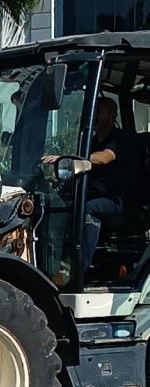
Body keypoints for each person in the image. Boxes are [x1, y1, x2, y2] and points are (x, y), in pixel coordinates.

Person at [43, 96, 129, 270]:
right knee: (55, 205)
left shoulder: (119, 139)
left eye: (99, 111)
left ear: (112, 115)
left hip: (116, 198)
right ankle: (51, 259)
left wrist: (68, 159)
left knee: (87, 209)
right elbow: (81, 169)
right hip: (91, 193)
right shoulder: (91, 141)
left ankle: (79, 267)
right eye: (94, 110)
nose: (94, 115)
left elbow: (105, 157)